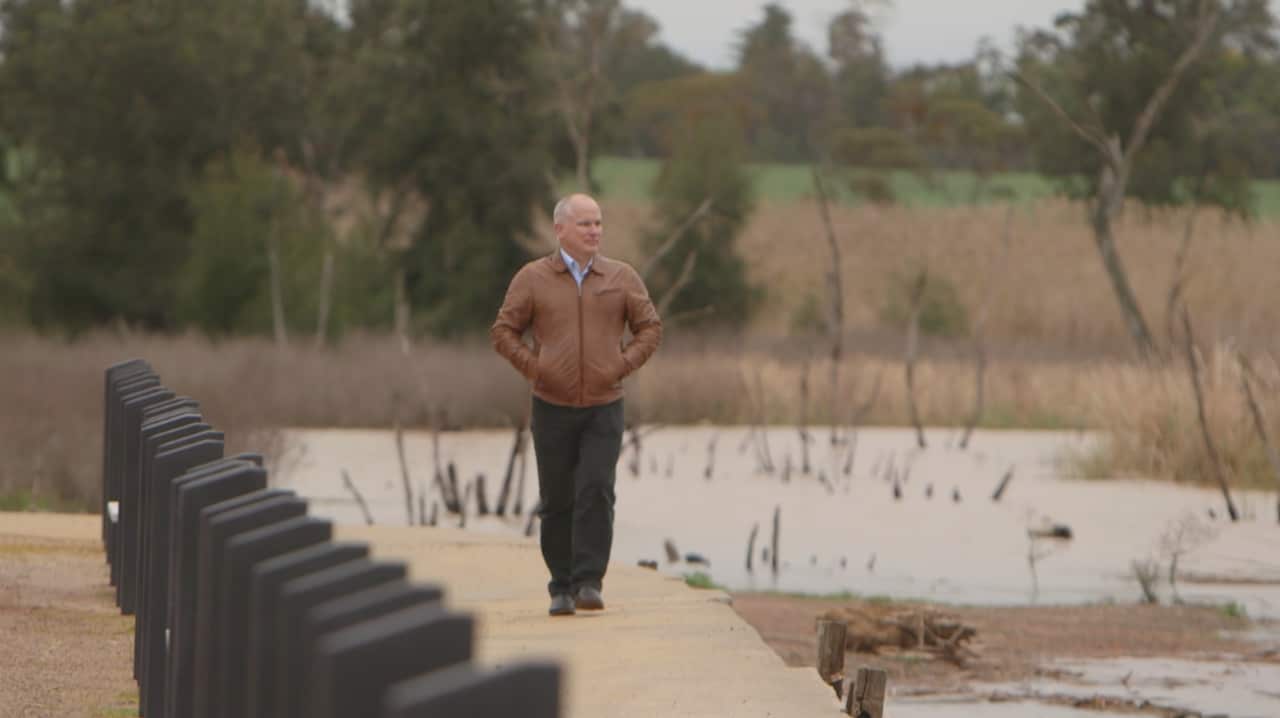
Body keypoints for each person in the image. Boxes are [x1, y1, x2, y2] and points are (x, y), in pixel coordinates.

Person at [491, 193, 662, 616]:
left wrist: (621, 365)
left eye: (599, 223)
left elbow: (650, 328)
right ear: (560, 229)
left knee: (597, 489)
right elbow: (503, 332)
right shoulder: (533, 278)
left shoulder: (621, 277)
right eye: (585, 224)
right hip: (551, 405)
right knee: (557, 498)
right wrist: (537, 369)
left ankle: (589, 581)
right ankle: (560, 587)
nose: (594, 231)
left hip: (604, 405)